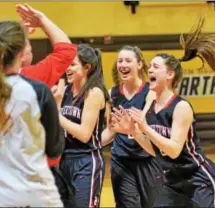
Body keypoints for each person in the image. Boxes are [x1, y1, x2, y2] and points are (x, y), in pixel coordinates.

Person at [111, 16, 215, 208]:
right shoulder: (150, 104)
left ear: (169, 75)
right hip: (172, 182)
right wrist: (133, 132)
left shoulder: (180, 107)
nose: (150, 69)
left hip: (199, 181)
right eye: (150, 66)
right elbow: (155, 150)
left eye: (155, 67)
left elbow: (174, 150)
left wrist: (143, 127)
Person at [0, 20, 64, 207]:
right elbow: (54, 151)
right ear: (22, 53)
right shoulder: (38, 91)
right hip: (34, 195)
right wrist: (56, 106)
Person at [15, 4, 77, 207]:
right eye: (29, 49)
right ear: (21, 55)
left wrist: (21, 33)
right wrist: (42, 21)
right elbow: (66, 50)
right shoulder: (32, 78)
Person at [101, 45, 164, 208]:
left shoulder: (150, 93)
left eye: (128, 60)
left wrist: (132, 128)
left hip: (147, 160)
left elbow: (149, 130)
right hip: (121, 161)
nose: (123, 64)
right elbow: (110, 131)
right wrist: (89, 144)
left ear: (140, 65)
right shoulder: (111, 94)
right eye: (120, 61)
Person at [54, 44, 110, 208]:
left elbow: (84, 134)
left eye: (72, 64)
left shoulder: (94, 93)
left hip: (86, 160)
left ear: (87, 67)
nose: (67, 68)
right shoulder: (64, 91)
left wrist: (56, 115)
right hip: (64, 158)